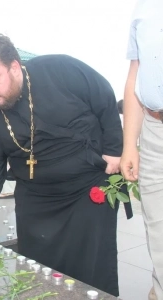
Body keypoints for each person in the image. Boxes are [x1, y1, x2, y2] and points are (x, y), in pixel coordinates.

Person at [0, 33, 123, 296]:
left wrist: (115, 150)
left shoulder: (59, 70)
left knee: (91, 270)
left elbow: (103, 96)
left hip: (86, 188)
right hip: (37, 199)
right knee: (37, 273)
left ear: (14, 67)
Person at [121, 2, 163, 299]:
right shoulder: (144, 8)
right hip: (154, 129)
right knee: (158, 232)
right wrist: (129, 146)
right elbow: (135, 74)